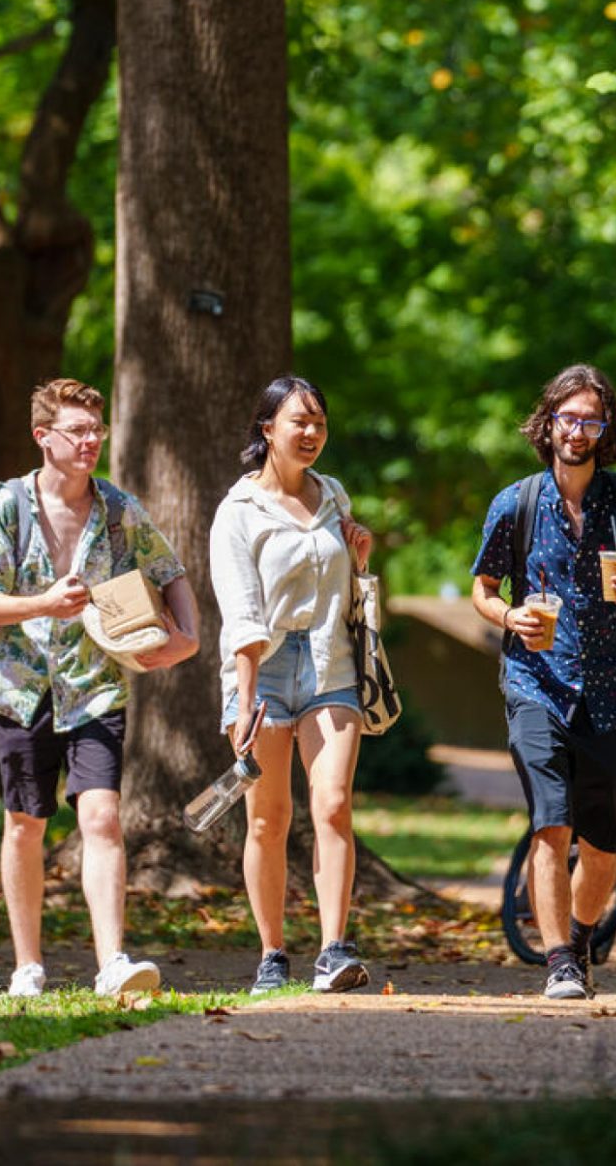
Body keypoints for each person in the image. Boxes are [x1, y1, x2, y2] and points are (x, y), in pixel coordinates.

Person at [0, 378, 199, 997]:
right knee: (25, 823)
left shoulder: (118, 509)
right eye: (78, 431)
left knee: (103, 817)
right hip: (21, 688)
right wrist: (44, 602)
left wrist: (188, 639)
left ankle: (113, 962)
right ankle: (27, 966)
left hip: (95, 685)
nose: (91, 440)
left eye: (97, 430)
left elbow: (169, 571)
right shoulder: (5, 508)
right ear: (43, 437)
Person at [471, 364, 616, 1000]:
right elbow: (483, 589)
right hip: (534, 680)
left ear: (605, 430)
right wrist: (510, 616)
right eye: (568, 417)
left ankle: (581, 939)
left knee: (602, 846)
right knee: (550, 825)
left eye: (591, 421)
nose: (577, 431)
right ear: (549, 422)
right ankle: (559, 959)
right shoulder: (516, 503)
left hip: (610, 691)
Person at [209, 375, 373, 995]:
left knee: (333, 804)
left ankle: (333, 949)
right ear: (267, 429)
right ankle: (272, 954)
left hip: (332, 663)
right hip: (264, 671)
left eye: (319, 423)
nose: (311, 433)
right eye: (298, 421)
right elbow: (242, 613)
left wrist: (360, 558)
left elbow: (346, 587)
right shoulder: (238, 512)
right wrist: (245, 701)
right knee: (267, 820)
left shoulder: (333, 496)